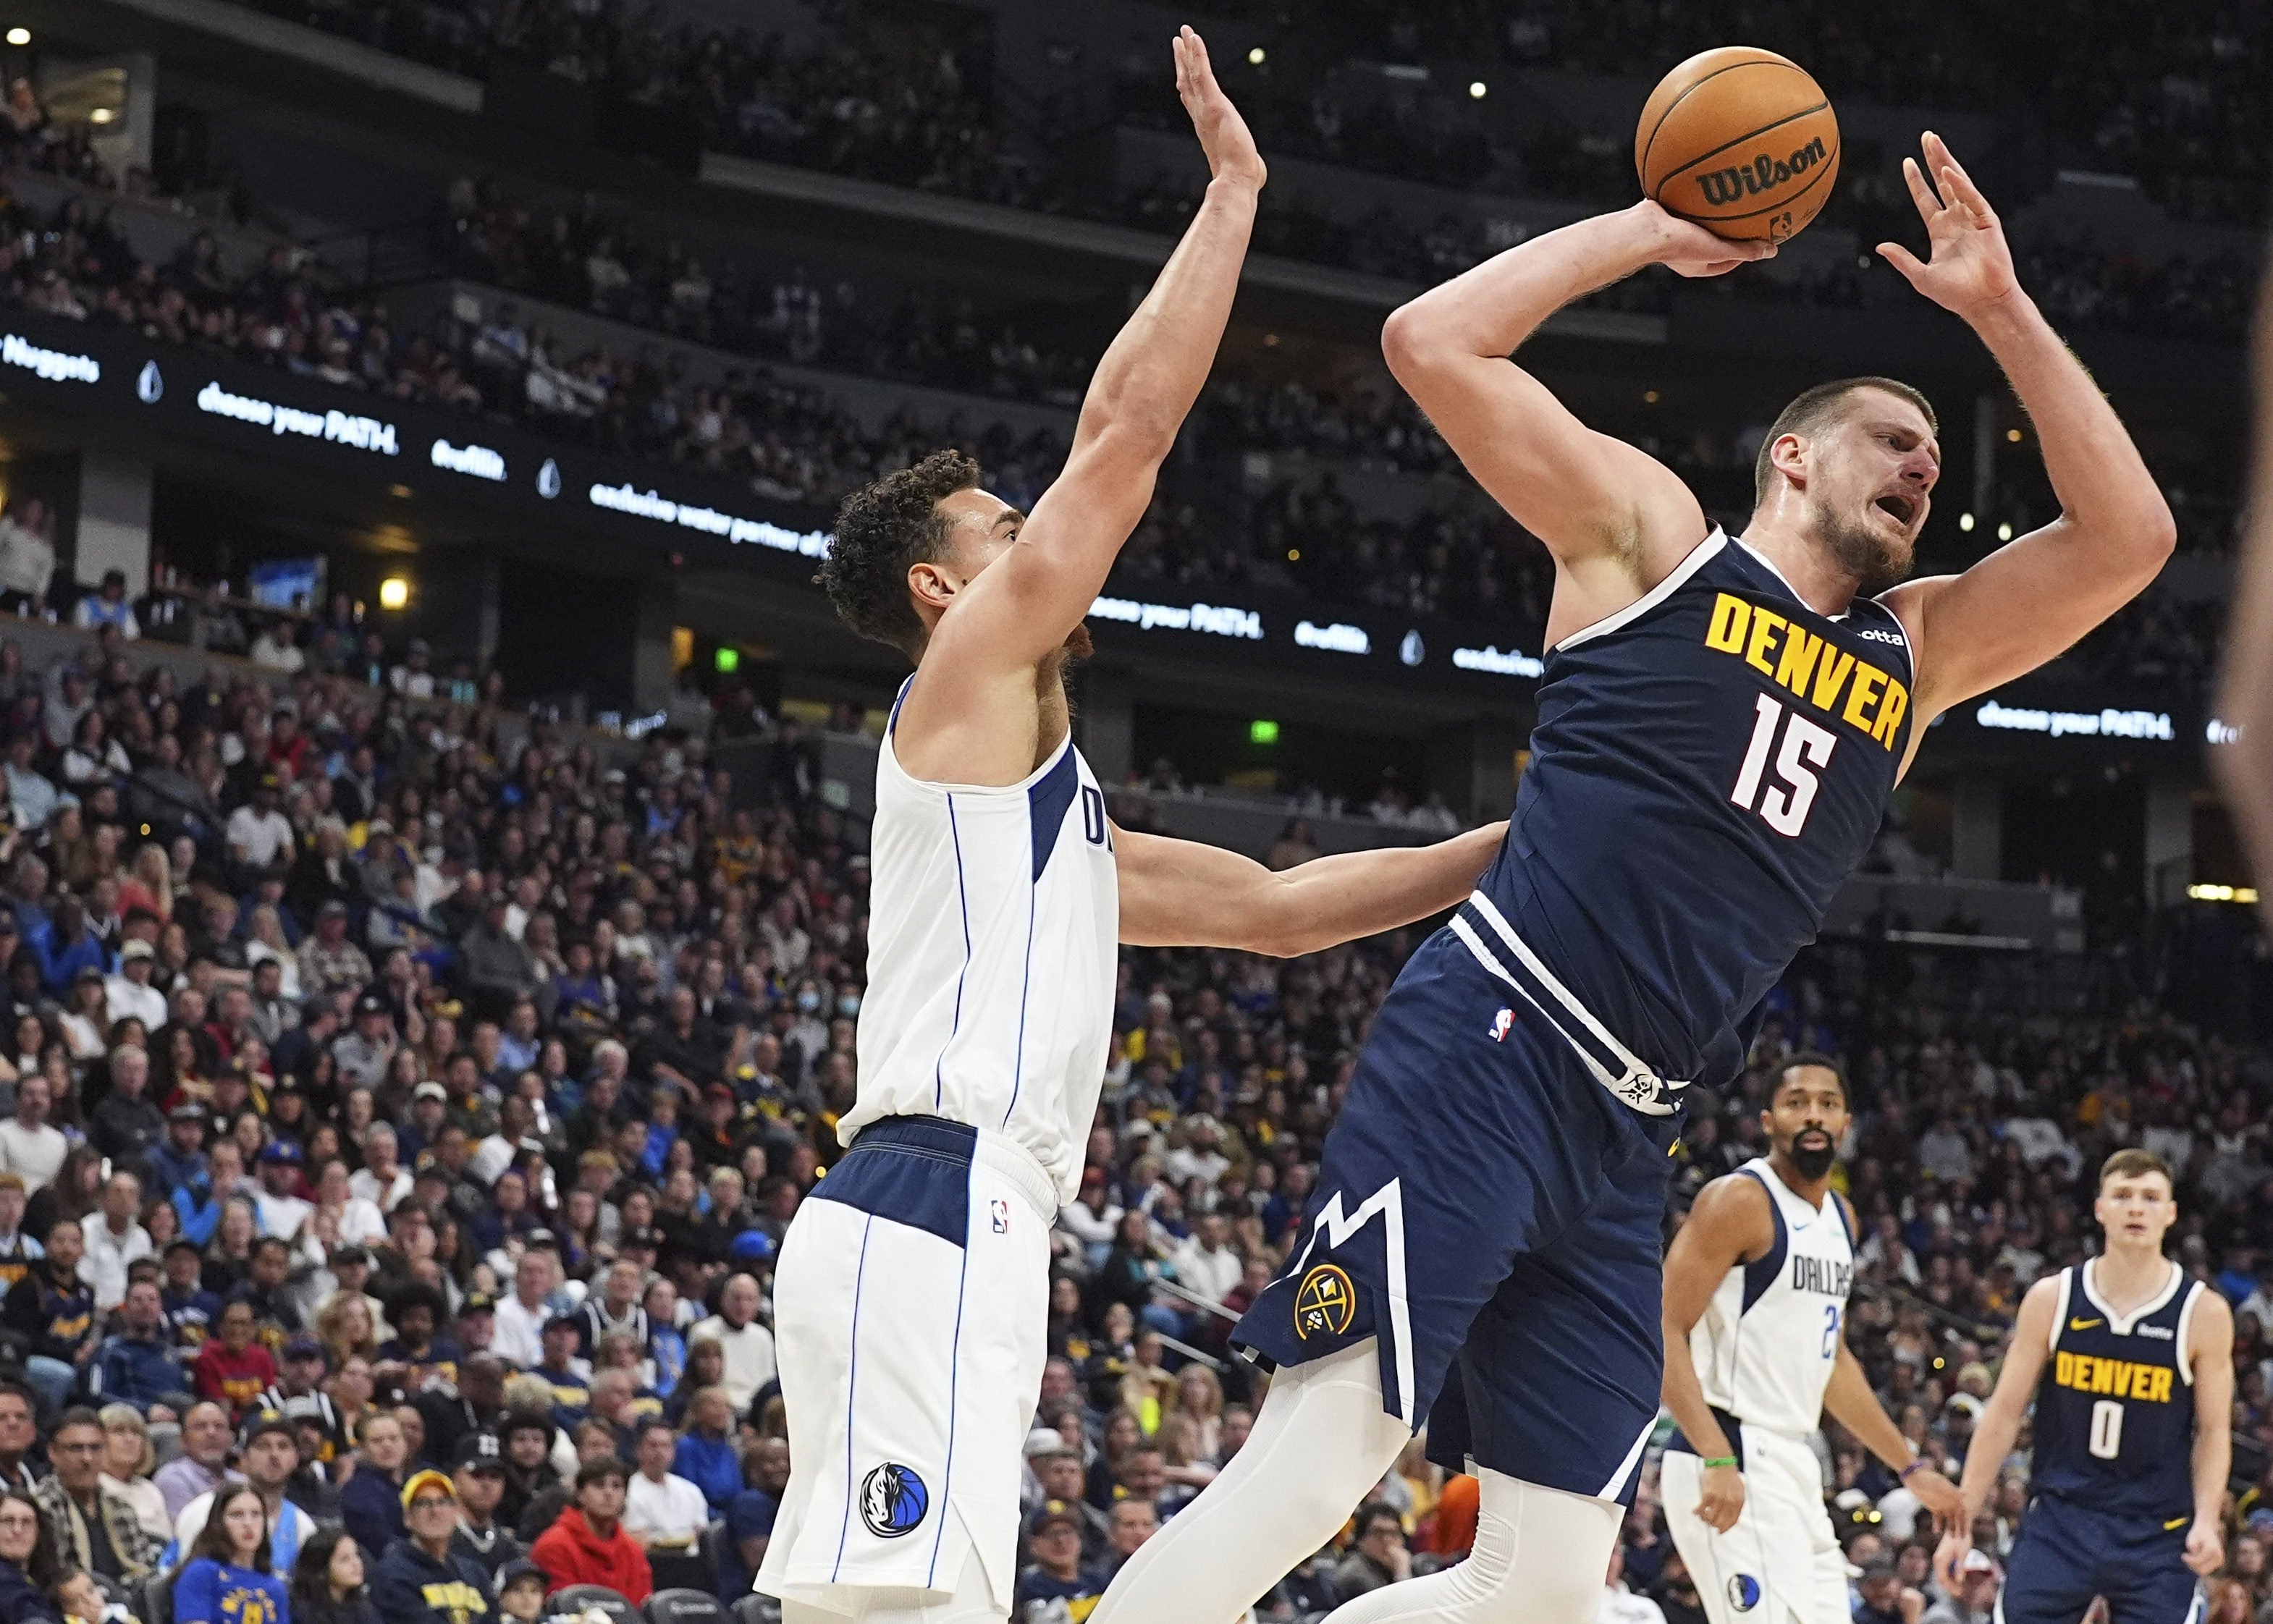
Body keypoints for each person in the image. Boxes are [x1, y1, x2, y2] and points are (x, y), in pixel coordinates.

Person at [1088, 132, 2180, 1624]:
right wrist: (1650, 231)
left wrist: (1999, 312)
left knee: (1543, 1589)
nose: (1923, 459)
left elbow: (2129, 537)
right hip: (1488, 1048)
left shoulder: (1915, 657)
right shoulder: (1650, 541)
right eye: (1886, 435)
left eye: (1933, 451)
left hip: (1626, 1135)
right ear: (1789, 458)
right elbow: (1429, 339)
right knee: (1318, 1462)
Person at [760, 33, 1504, 1622]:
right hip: (927, 1202)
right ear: (943, 593)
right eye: (1008, 534)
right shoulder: (959, 690)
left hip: (965, 1221)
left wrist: (1517, 843)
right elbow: (1123, 438)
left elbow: (1282, 910)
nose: (1046, 538)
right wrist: (1231, 196)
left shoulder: (1048, 826)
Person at [1659, 1055, 1962, 1624]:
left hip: (1793, 1462)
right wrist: (1715, 1454)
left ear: (1847, 1123)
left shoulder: (1840, 1219)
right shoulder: (1739, 1200)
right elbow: (1665, 1329)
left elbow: (1834, 1361)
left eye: (1827, 1103)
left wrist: (1911, 1468)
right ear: (1770, 1120)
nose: (1813, 1115)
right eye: (1797, 1103)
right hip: (1730, 1449)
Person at [1935, 1149, 2232, 1624]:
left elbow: (2214, 1431)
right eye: (2123, 1196)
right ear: (2099, 1208)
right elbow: (2004, 1413)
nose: (2136, 1208)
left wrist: (2207, 1518)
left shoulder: (2204, 1313)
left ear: (2172, 1213)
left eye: (2151, 1198)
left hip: (2157, 1529)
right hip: (2061, 1517)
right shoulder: (2053, 1298)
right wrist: (1961, 1519)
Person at [174, 1411, 318, 1577]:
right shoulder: (205, 1509)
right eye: (263, 1446)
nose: (274, 1455)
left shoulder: (302, 1525)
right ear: (243, 1457)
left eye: (283, 1446)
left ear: (296, 1459)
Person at [30, 1405, 165, 1582]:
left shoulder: (121, 1507)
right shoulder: (43, 1506)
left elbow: (145, 1570)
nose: (87, 1458)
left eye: (95, 1448)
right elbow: (56, 1579)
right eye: (76, 1448)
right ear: (53, 1453)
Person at [368, 1468, 494, 1624]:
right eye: (424, 1503)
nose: (435, 1510)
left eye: (443, 1502)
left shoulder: (476, 1573)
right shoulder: (392, 1575)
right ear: (408, 1518)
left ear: (456, 1513)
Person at [528, 1458, 650, 1604]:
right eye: (599, 1485)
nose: (608, 1493)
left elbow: (643, 1608)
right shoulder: (554, 1545)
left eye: (617, 1486)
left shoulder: (633, 1551)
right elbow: (562, 1609)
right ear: (580, 1494)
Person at [4, 1219, 93, 1413]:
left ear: (83, 1249)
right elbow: (21, 1340)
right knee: (63, 1374)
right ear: (46, 1246)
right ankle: (49, 1425)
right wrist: (69, 1355)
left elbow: (85, 1333)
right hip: (28, 1362)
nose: (67, 1248)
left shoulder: (87, 1292)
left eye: (74, 1242)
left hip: (72, 1360)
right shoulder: (29, 1287)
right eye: (60, 1241)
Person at [167, 1482, 287, 1624]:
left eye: (256, 1514)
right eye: (237, 1515)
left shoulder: (274, 1585)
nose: (248, 1523)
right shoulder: (201, 1573)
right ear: (219, 1522)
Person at [1012, 1500, 1105, 1624]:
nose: (1061, 1540)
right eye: (1051, 1534)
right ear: (1033, 1545)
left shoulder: (1098, 1580)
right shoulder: (1032, 1589)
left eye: (1067, 1532)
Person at [447, 1433, 521, 1579]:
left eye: (495, 1476)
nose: (487, 1484)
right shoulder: (440, 1538)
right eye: (477, 1475)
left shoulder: (506, 1545)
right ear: (454, 1479)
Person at [337, 1410, 408, 1562]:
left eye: (394, 1438)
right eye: (377, 1441)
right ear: (363, 1447)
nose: (387, 1446)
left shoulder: (416, 1481)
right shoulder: (357, 1493)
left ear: (405, 1443)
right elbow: (384, 1546)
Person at [96, 1405, 172, 1544]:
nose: (130, 1439)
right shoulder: (95, 1488)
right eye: (119, 1432)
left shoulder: (151, 1490)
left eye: (136, 1433)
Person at [154, 1403, 232, 1523]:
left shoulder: (241, 1480)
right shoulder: (173, 1477)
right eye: (201, 1426)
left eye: (219, 1426)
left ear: (230, 1439)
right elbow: (188, 1531)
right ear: (183, 1441)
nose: (211, 1433)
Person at [290, 1527, 376, 1624]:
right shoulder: (304, 1614)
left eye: (356, 1555)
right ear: (321, 1571)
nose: (357, 1563)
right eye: (345, 1559)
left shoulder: (363, 1606)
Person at [0, 1487, 59, 1624]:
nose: (17, 1530)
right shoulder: (5, 1581)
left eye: (26, 1522)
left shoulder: (43, 1578)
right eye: (9, 1521)